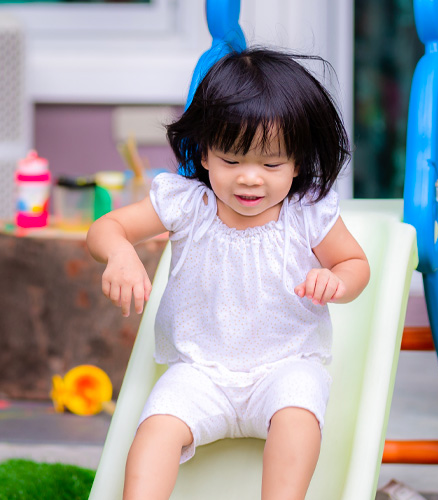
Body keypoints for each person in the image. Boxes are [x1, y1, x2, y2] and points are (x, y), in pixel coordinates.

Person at [86, 47, 370, 500]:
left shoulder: (306, 213)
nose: (250, 179)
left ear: (297, 162)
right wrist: (120, 253)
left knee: (299, 416)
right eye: (232, 161)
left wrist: (337, 281)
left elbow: (355, 264)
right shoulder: (187, 204)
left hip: (285, 366)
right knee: (156, 428)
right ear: (203, 155)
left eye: (271, 164)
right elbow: (107, 227)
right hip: (198, 371)